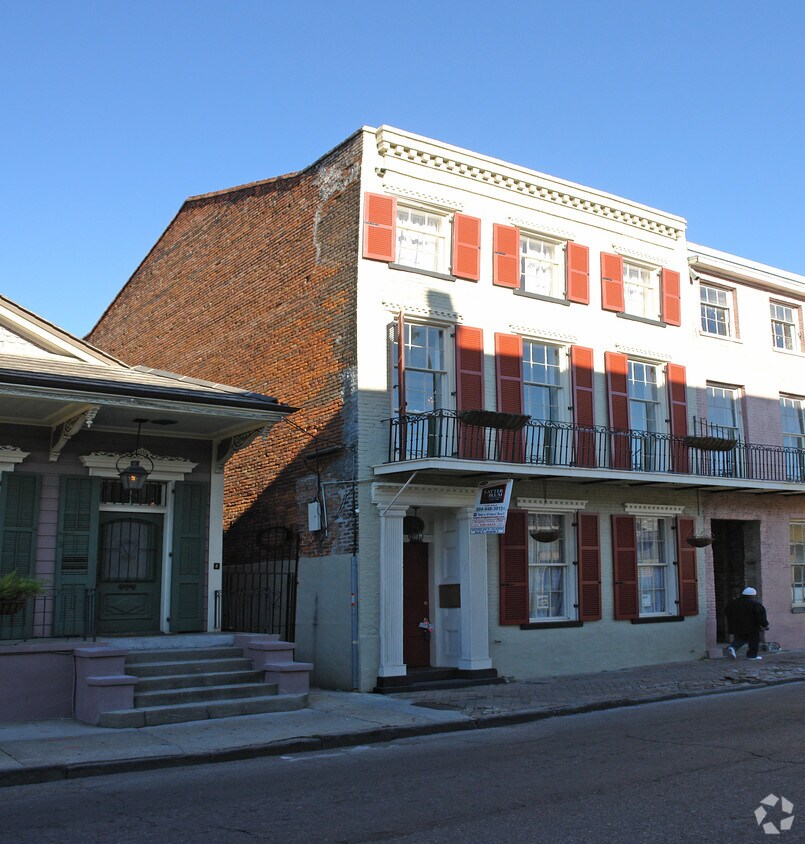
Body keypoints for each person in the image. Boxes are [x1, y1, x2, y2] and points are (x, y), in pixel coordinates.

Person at [725, 587, 769, 660]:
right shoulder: (755, 604)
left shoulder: (732, 603)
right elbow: (760, 616)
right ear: (752, 595)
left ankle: (732, 647)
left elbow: (727, 612)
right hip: (752, 626)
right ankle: (752, 655)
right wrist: (765, 625)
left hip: (737, 625)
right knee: (754, 640)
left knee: (741, 639)